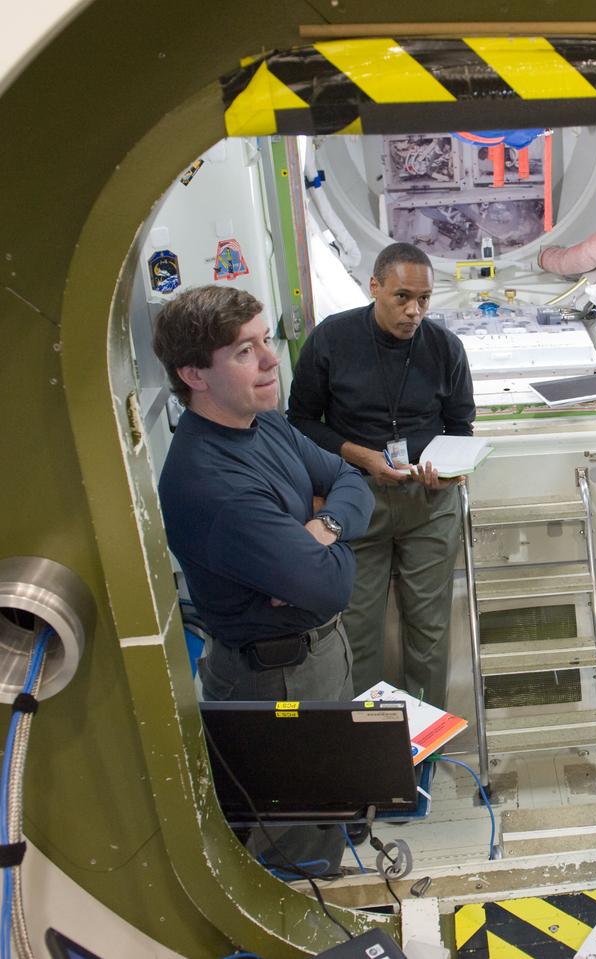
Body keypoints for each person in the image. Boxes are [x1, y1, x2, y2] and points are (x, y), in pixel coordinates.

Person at [154, 284, 374, 874]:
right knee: (299, 857)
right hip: (276, 681)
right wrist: (328, 551)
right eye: (245, 351)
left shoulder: (265, 423)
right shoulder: (210, 482)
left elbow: (353, 480)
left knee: (328, 809)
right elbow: (333, 586)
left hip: (318, 654)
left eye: (265, 341)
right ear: (194, 374)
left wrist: (320, 528)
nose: (273, 359)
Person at [288, 242, 475, 707]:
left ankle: (424, 750)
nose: (415, 312)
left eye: (425, 300)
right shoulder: (333, 339)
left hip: (427, 502)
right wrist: (361, 457)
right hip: (355, 499)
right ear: (374, 287)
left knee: (429, 631)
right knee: (357, 628)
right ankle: (373, 751)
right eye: (402, 297)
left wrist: (448, 471)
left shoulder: (445, 348)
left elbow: (461, 426)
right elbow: (302, 423)